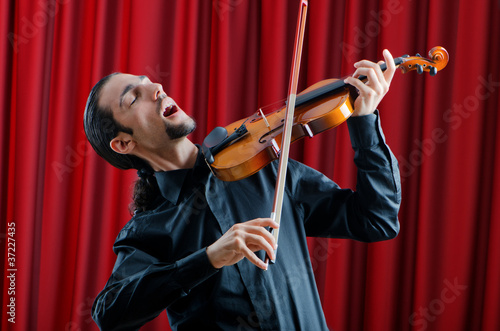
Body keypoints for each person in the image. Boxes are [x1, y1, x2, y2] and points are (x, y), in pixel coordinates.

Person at [84, 49, 401, 330]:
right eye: (134, 97)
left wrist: (365, 120)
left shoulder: (261, 165)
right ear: (124, 143)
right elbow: (109, 314)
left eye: (147, 80)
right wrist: (209, 258)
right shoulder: (147, 231)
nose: (156, 88)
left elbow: (376, 219)